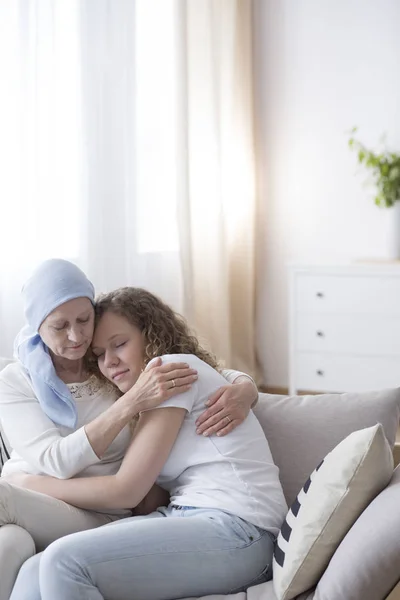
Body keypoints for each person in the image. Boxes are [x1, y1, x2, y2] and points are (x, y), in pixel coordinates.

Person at [0, 260, 258, 600]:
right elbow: (55, 459)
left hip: (100, 510)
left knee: (15, 513)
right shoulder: (28, 377)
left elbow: (195, 369)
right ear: (36, 327)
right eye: (59, 326)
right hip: (41, 499)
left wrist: (246, 386)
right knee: (14, 548)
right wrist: (133, 400)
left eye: (83, 320)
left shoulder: (130, 377)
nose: (76, 337)